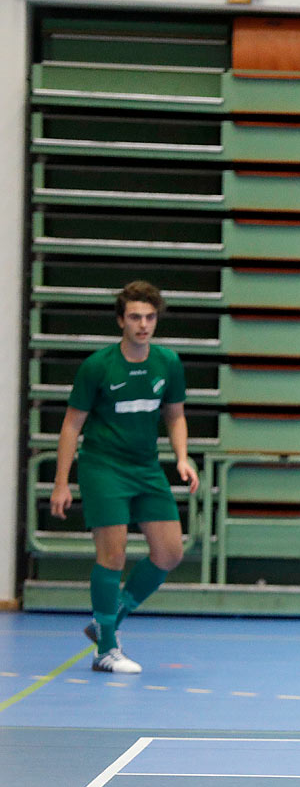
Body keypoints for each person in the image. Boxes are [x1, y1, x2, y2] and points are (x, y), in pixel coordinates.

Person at [50, 281, 199, 675]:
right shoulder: (98, 366)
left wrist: (183, 458)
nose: (143, 324)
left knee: (169, 552)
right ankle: (106, 649)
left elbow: (175, 414)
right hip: (103, 468)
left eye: (150, 317)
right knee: (112, 555)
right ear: (121, 321)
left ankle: (109, 617)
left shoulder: (167, 363)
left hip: (146, 468)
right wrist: (62, 482)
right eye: (135, 317)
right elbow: (70, 426)